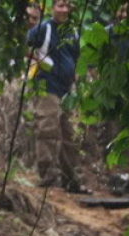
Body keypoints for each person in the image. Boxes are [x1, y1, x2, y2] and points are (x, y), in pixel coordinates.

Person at [28, 0, 89, 193]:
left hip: (68, 90)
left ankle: (72, 180)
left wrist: (77, 82)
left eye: (66, 6)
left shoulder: (73, 31)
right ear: (52, 8)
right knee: (47, 130)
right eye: (59, 6)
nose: (63, 10)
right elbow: (25, 47)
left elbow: (77, 58)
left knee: (71, 135)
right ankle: (48, 178)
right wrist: (40, 63)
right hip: (47, 87)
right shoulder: (44, 28)